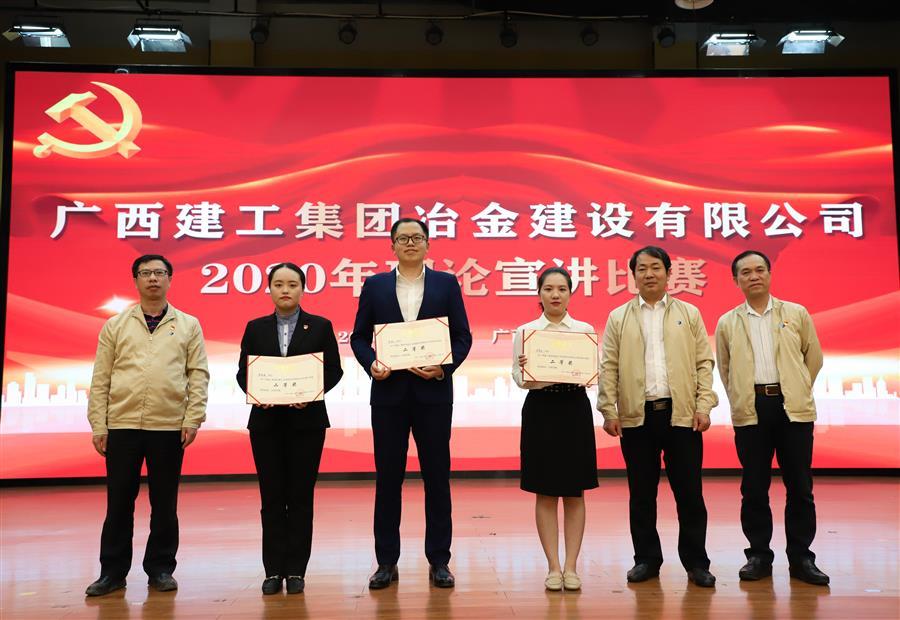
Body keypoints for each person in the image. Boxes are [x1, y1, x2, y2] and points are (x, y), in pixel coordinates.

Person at [350, 218, 472, 589]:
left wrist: (443, 368)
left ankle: (439, 560)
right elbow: (359, 338)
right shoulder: (375, 285)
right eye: (402, 238)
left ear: (428, 244)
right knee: (388, 479)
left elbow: (462, 337)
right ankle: (386, 562)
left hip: (433, 394)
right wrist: (372, 364)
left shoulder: (445, 284)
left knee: (437, 478)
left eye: (417, 237)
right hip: (389, 396)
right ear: (392, 246)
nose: (410, 243)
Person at [85, 255, 209, 597]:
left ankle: (161, 569)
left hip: (168, 425)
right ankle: (112, 573)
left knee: (164, 503)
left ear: (169, 278)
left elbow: (198, 374)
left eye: (159, 273)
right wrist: (99, 424)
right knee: (119, 502)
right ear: (136, 280)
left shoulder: (188, 324)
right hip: (122, 424)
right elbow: (101, 377)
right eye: (145, 273)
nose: (153, 278)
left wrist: (193, 417)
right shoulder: (116, 325)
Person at [597, 246, 718, 588]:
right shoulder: (619, 317)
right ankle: (646, 560)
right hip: (637, 417)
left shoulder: (689, 313)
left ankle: (696, 563)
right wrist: (609, 409)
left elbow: (703, 363)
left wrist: (704, 405)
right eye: (642, 269)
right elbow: (609, 366)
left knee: (690, 494)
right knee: (641, 494)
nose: (649, 274)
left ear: (668, 273)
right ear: (633, 275)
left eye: (655, 268)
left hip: (682, 416)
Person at [715, 250, 829, 586]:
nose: (754, 276)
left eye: (760, 270)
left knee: (800, 486)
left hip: (792, 409)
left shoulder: (795, 313)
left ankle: (801, 558)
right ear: (736, 280)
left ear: (769, 274)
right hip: (752, 410)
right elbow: (725, 369)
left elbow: (814, 358)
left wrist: (797, 388)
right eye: (746, 272)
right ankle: (759, 556)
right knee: (753, 487)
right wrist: (742, 398)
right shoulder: (727, 322)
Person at [236, 262, 344, 595]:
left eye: (292, 284)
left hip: (307, 423)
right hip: (266, 423)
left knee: (300, 496)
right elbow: (244, 372)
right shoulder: (255, 327)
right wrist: (259, 394)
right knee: (271, 497)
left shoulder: (320, 326)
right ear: (269, 288)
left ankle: (296, 570)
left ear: (303, 289)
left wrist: (310, 393)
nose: (285, 290)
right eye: (279, 284)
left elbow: (334, 370)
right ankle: (272, 571)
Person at [512, 267, 598, 591]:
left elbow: (592, 373)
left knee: (575, 491)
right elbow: (519, 378)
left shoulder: (584, 331)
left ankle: (572, 567)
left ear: (570, 293)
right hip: (541, 410)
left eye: (562, 288)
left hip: (574, 409)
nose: (555, 295)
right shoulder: (526, 331)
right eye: (548, 289)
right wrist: (529, 371)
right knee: (545, 490)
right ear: (539, 293)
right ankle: (553, 567)